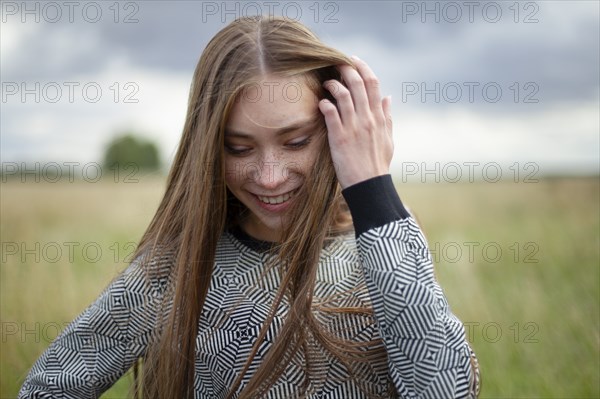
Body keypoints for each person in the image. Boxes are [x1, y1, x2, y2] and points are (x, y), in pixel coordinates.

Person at [19, 15, 480, 398]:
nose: (270, 176)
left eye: (295, 140)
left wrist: (373, 187)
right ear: (208, 149)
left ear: (339, 125)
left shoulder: (383, 250)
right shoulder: (172, 271)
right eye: (239, 148)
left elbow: (446, 388)